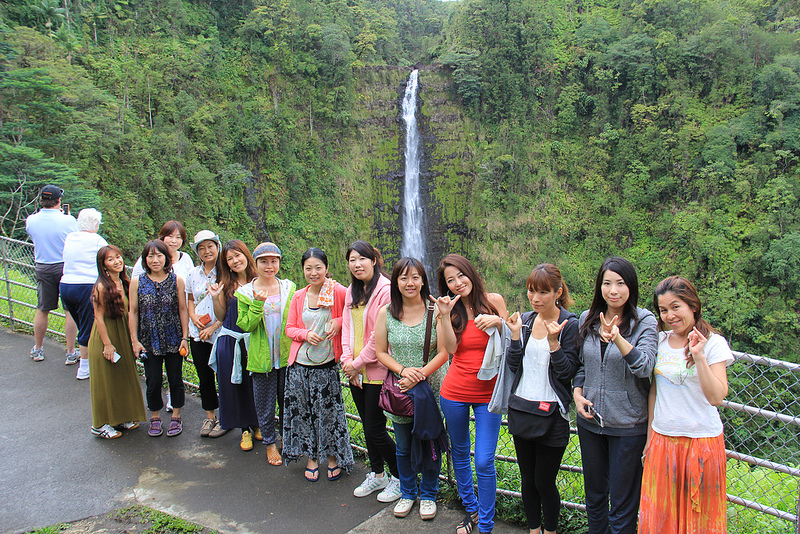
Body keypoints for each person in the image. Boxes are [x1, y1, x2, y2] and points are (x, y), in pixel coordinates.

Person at [639, 276, 732, 534]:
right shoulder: (659, 342)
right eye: (664, 310)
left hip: (701, 444)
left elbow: (716, 397)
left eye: (676, 307)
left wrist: (699, 355)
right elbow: (654, 393)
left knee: (699, 520)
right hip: (662, 441)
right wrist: (649, 440)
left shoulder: (713, 344)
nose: (670, 315)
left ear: (692, 305)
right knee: (660, 519)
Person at [572, 257, 658, 534]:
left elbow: (644, 367)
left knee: (622, 506)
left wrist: (618, 338)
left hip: (628, 426)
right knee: (595, 499)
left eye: (620, 283)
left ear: (630, 286)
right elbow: (583, 365)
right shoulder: (587, 318)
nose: (613, 290)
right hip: (590, 422)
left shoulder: (645, 321)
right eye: (607, 283)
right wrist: (577, 392)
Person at [433, 253, 509, 534]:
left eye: (460, 276)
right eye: (450, 280)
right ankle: (473, 509)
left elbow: (513, 336)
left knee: (484, 460)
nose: (457, 283)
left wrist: (498, 323)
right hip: (454, 391)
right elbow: (450, 350)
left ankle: (487, 524)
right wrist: (443, 316)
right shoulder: (448, 310)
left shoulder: (494, 301)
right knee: (461, 452)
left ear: (470, 273)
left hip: (489, 392)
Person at [501, 264, 579, 534]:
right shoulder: (525, 320)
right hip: (522, 407)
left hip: (552, 414)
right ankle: (534, 529)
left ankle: (551, 530)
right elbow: (513, 366)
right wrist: (513, 336)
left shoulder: (569, 324)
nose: (535, 298)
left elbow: (567, 371)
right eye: (532, 291)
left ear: (558, 292)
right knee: (527, 480)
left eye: (544, 292)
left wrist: (554, 343)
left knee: (544, 481)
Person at [375, 257, 449, 521]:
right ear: (395, 281)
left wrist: (419, 376)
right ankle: (408, 492)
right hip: (401, 389)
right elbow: (381, 352)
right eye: (404, 277)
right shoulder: (386, 312)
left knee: (429, 443)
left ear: (423, 280)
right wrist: (404, 371)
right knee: (403, 445)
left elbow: (444, 352)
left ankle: (429, 494)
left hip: (430, 389)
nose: (410, 282)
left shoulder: (435, 309)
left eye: (415, 277)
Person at [284, 247, 353, 482]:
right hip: (300, 366)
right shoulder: (298, 296)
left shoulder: (338, 291)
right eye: (308, 268)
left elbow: (354, 312)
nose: (314, 273)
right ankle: (312, 458)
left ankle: (332, 457)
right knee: (304, 414)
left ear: (327, 268)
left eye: (318, 268)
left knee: (328, 414)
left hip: (326, 366)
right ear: (303, 270)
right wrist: (304, 334)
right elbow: (289, 328)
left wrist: (338, 320)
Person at [340, 241, 400, 502]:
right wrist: (347, 361)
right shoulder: (352, 291)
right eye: (352, 260)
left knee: (376, 428)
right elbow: (346, 329)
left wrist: (358, 363)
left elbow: (380, 337)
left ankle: (400, 478)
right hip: (355, 370)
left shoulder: (386, 290)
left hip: (375, 370)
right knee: (367, 426)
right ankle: (377, 475)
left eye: (362, 259)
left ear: (374, 260)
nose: (357, 264)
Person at [236, 242, 296, 466]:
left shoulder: (289, 288)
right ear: (256, 263)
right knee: (265, 403)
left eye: (273, 261)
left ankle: (287, 441)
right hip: (262, 358)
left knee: (288, 401)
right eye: (263, 261)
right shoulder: (244, 293)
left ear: (279, 262)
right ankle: (270, 444)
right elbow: (246, 326)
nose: (269, 266)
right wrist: (257, 304)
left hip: (286, 357)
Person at [129, 240, 189, 438]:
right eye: (150, 256)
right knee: (153, 380)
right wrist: (134, 340)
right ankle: (155, 417)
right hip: (148, 339)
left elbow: (182, 309)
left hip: (173, 337)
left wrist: (184, 337)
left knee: (175, 379)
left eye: (159, 256)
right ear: (145, 259)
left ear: (167, 258)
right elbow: (133, 312)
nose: (155, 260)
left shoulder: (176, 280)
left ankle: (176, 417)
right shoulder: (137, 281)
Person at [87, 245, 146, 439]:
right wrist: (107, 344)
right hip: (107, 335)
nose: (117, 261)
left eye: (118, 257)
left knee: (122, 375)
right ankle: (100, 424)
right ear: (103, 266)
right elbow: (99, 318)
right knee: (105, 380)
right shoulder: (102, 287)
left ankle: (121, 417)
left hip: (122, 333)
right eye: (111, 259)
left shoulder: (123, 282)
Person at [207, 240, 259, 450]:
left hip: (254, 341)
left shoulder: (260, 281)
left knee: (255, 386)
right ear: (226, 264)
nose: (235, 261)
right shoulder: (225, 284)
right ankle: (244, 429)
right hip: (230, 341)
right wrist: (214, 298)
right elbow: (221, 315)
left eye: (238, 255)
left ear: (246, 255)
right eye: (230, 258)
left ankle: (258, 424)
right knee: (234, 387)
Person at [25, 184, 78, 363]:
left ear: (41, 200)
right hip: (64, 267)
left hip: (43, 266)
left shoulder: (31, 220)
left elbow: (33, 236)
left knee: (43, 308)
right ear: (59, 201)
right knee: (69, 310)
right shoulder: (68, 221)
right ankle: (71, 352)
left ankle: (38, 349)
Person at [60, 208, 108, 380]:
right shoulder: (98, 241)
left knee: (81, 323)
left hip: (66, 285)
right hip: (86, 287)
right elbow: (107, 261)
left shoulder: (70, 237)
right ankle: (85, 367)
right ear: (96, 224)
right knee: (88, 327)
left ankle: (86, 358)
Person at [185, 230, 224, 437]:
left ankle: (225, 419)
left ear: (218, 246)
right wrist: (193, 318)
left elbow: (229, 306)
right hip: (197, 333)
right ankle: (210, 417)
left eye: (210, 246)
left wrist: (213, 326)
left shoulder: (225, 273)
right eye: (201, 248)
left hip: (219, 333)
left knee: (224, 378)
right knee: (204, 378)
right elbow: (190, 299)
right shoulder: (193, 274)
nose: (206, 251)